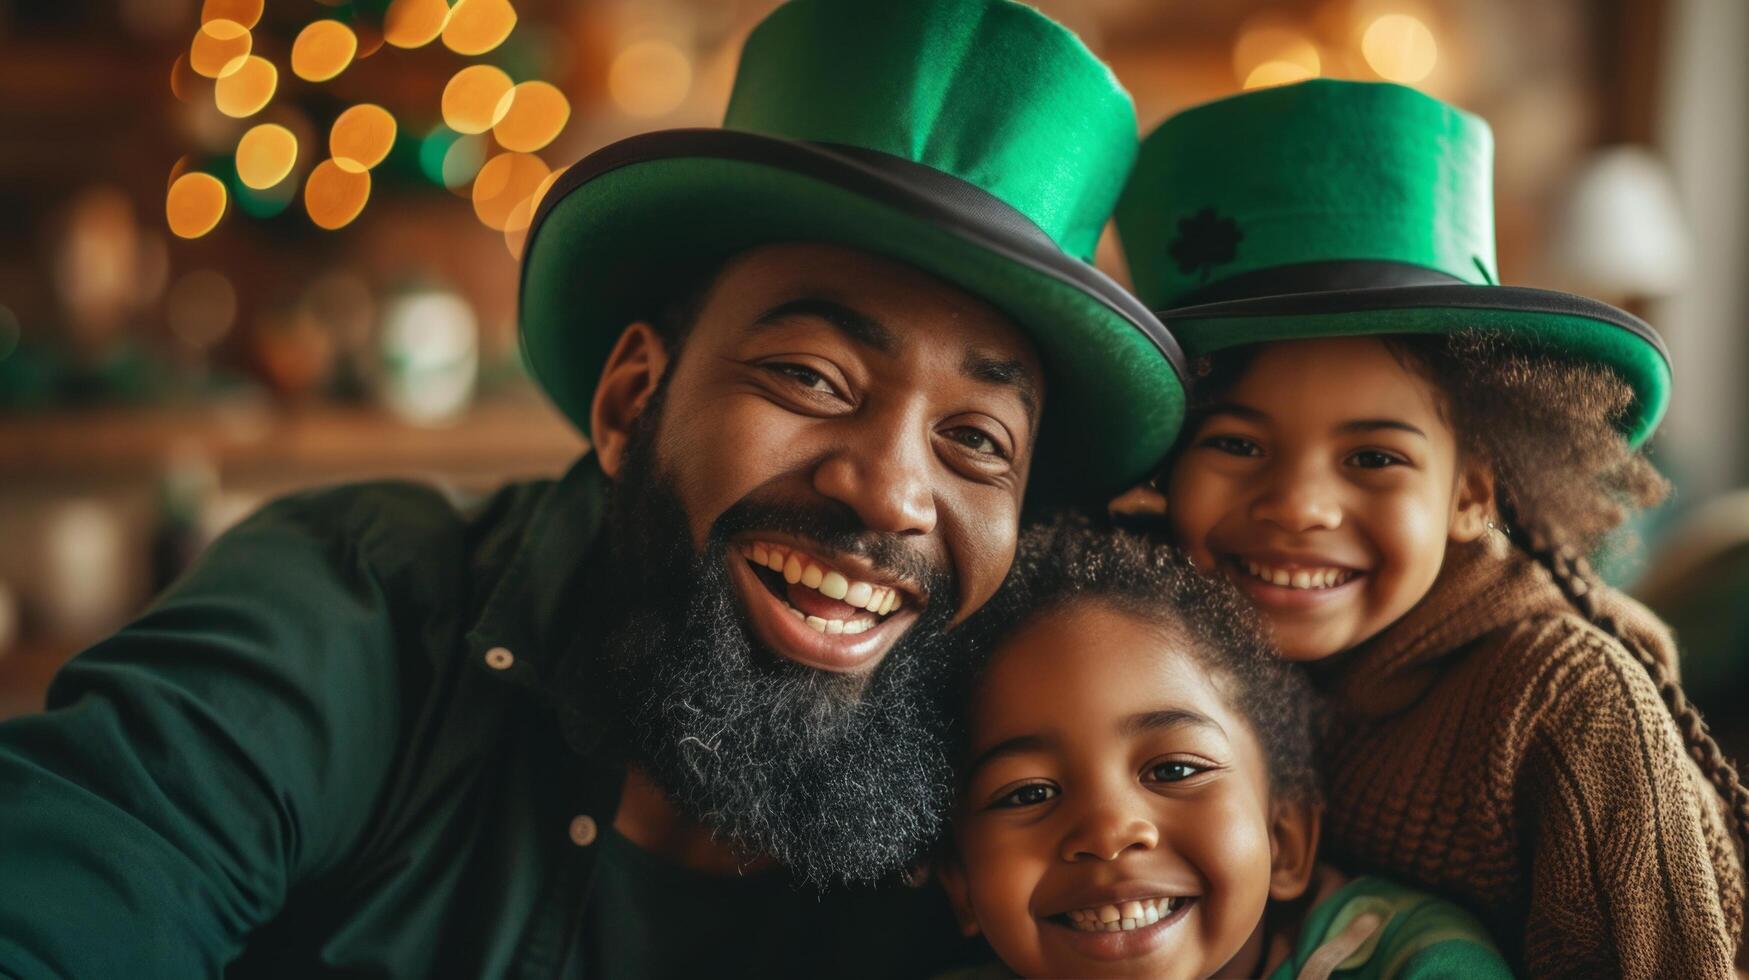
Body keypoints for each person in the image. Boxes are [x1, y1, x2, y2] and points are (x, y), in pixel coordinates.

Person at [0, 2, 1187, 977]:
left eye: (977, 442)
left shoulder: (1041, 778)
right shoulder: (354, 604)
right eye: (812, 376)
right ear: (633, 400)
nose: (891, 493)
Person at [1114, 78, 1745, 978]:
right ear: (1161, 466)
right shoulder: (1141, 643)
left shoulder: (1568, 711)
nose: (1298, 506)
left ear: (1473, 493)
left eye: (1372, 458)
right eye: (1235, 443)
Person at [936, 518, 1513, 978]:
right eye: (1029, 793)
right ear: (960, 885)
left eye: (1174, 769)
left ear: (1283, 840)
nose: (1109, 832)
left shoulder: (1412, 960)